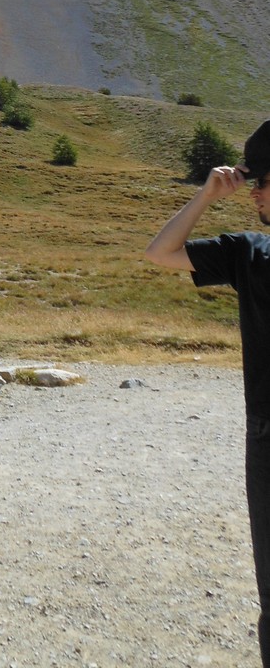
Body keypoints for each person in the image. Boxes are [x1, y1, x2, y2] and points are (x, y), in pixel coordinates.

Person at [145, 119, 270, 663]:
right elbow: (161, 252)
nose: (254, 193)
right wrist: (206, 195)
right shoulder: (249, 252)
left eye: (261, 181)